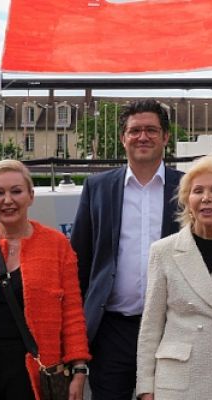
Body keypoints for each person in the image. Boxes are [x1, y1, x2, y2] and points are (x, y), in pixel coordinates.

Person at [0, 159, 91, 400]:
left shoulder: (57, 246)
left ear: (31, 196)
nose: (8, 200)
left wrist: (79, 370)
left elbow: (72, 313)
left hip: (34, 368)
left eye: (16, 191)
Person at [69, 100, 184, 400]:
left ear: (165, 137)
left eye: (151, 130)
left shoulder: (187, 189)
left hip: (170, 329)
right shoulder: (98, 187)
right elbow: (79, 260)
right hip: (112, 330)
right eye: (134, 131)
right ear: (123, 138)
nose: (142, 137)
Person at [135, 154, 212, 400]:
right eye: (197, 191)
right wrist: (145, 388)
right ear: (187, 201)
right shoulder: (163, 251)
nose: (206, 198)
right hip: (177, 382)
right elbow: (151, 326)